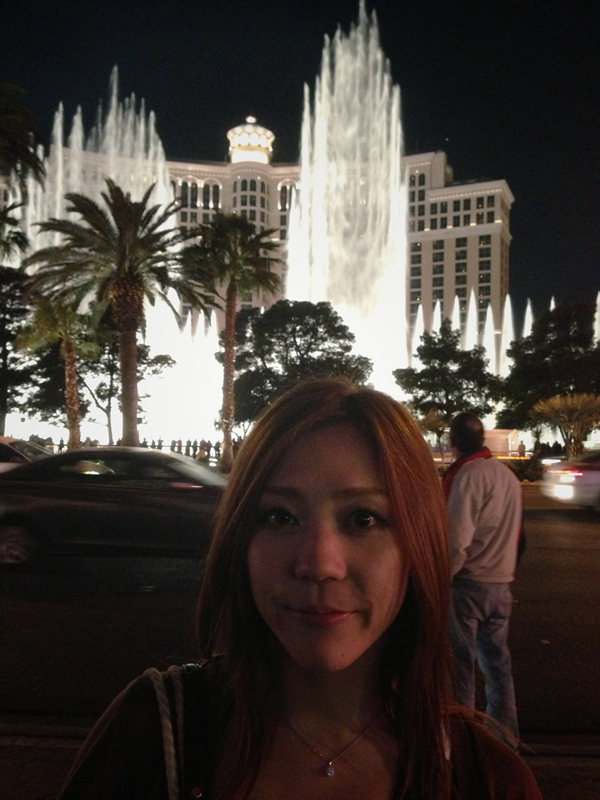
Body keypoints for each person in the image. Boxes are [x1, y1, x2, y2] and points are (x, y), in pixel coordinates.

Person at [57, 379, 540, 799]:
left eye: (363, 519)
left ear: (420, 543)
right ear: (239, 539)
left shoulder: (490, 780)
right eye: (280, 517)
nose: (318, 565)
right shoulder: (152, 733)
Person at [444, 412, 523, 740]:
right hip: (501, 585)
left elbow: (456, 541)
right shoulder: (508, 477)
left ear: (453, 441)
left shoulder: (468, 475)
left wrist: (441, 578)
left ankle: (464, 738)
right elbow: (520, 535)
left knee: (461, 667)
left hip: (469, 585)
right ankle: (505, 737)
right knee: (498, 666)